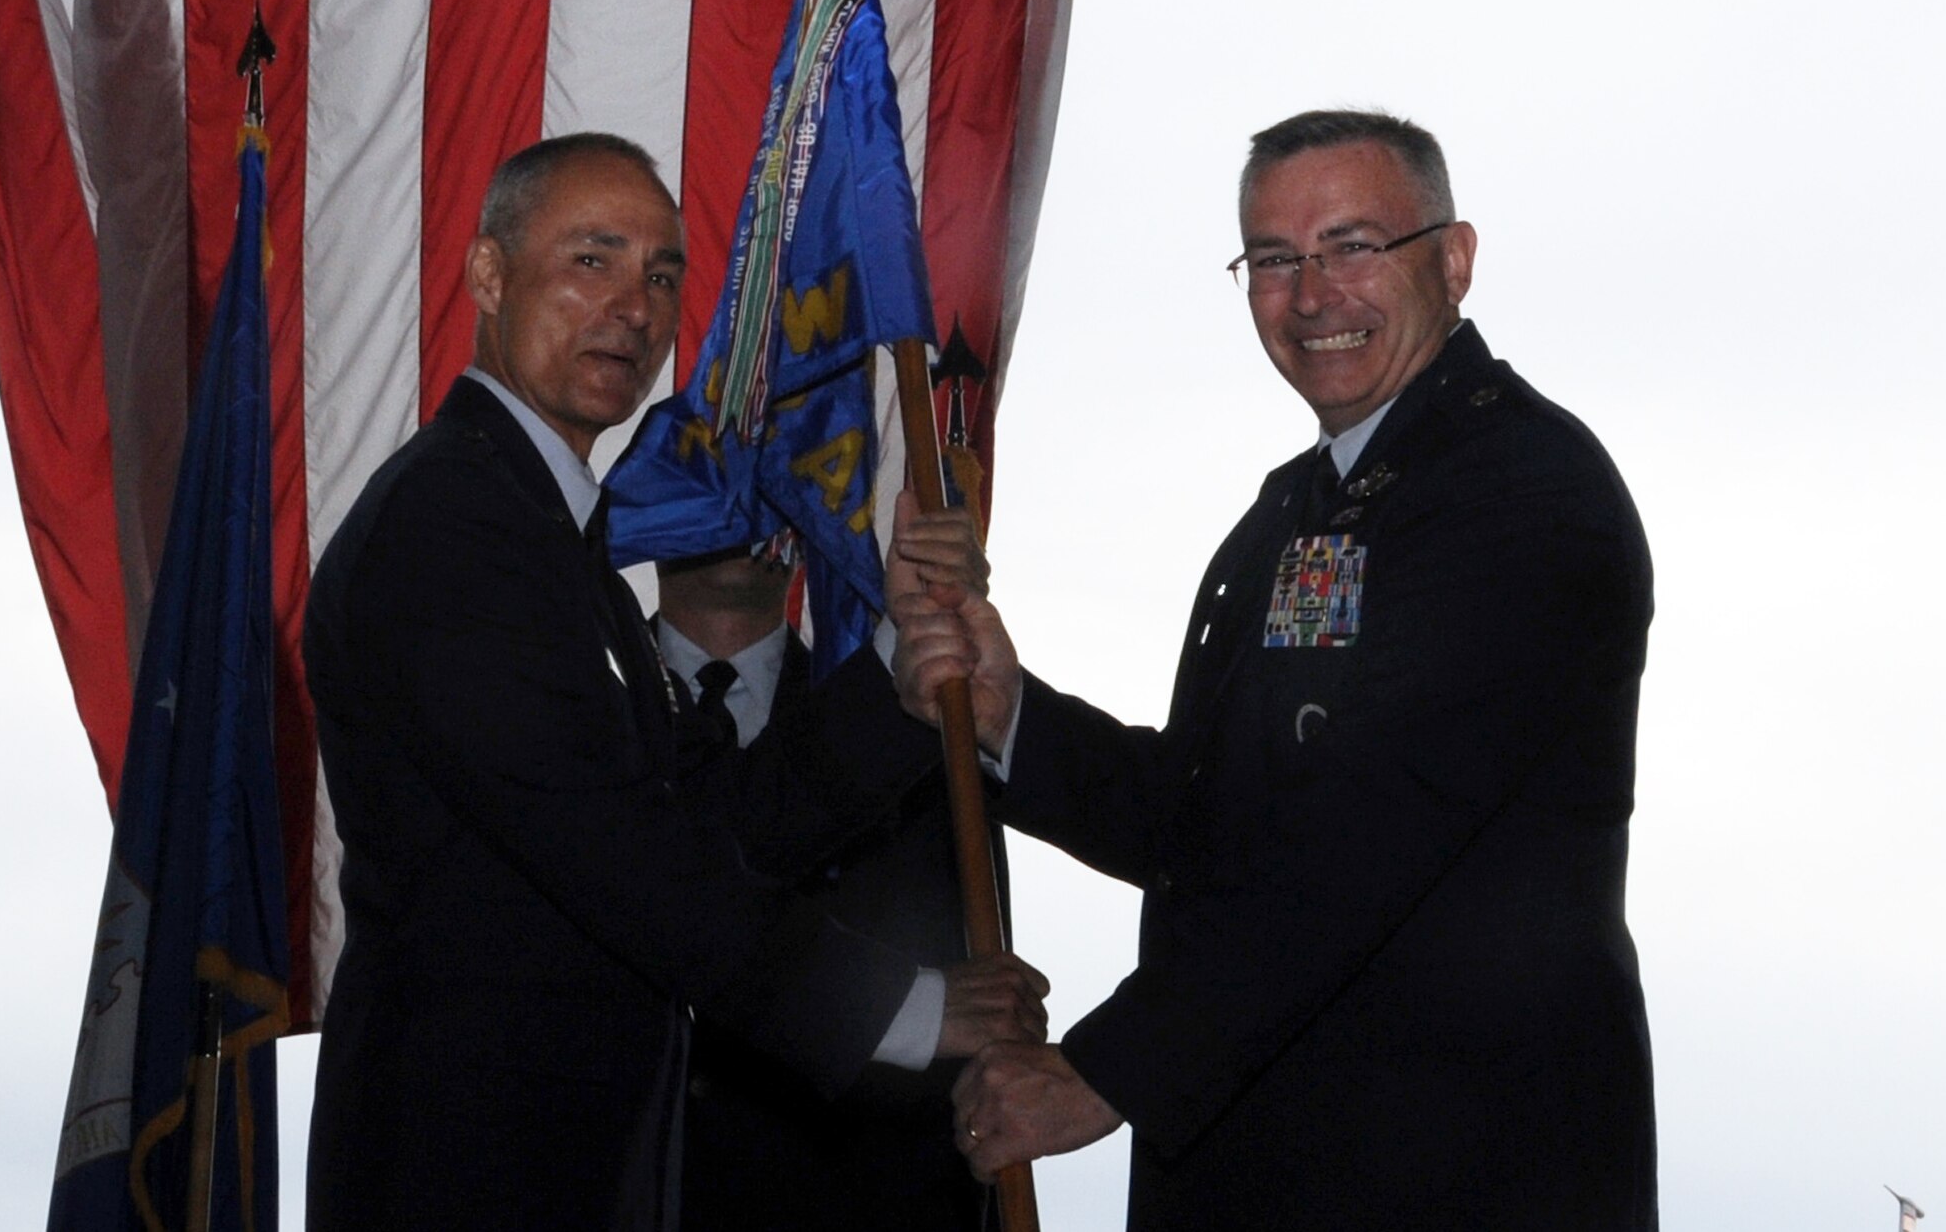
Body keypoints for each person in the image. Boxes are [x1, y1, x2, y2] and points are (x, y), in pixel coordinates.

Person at [894, 110, 1657, 1228]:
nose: (1309, 296)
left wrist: (1106, 1069)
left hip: (1455, 1178)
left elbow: (1370, 831)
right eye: (1271, 259)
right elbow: (1214, 821)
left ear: (1451, 260)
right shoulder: (1293, 512)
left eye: (1351, 245)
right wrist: (1015, 718)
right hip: (1266, 1173)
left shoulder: (1524, 493)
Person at [303, 133, 1045, 1231]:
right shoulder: (454, 524)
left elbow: (708, 817)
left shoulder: (558, 544)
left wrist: (902, 660)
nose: (635, 307)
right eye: (591, 260)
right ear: (490, 275)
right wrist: (910, 1010)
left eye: (659, 274)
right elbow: (625, 861)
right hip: (473, 1174)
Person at [653, 545, 999, 1232]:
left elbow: (975, 1020)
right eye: (706, 450)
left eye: (765, 455)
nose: (738, 489)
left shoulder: (929, 731)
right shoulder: (561, 704)